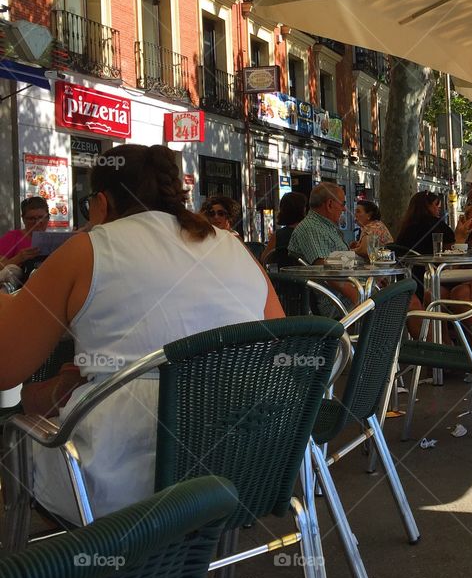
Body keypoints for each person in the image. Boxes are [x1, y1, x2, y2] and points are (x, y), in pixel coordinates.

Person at [0, 144, 283, 523]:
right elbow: (281, 341)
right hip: (243, 469)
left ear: (100, 202)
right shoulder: (234, 247)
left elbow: (6, 367)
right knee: (57, 389)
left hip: (119, 492)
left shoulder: (87, 249)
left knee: (25, 411)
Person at [289, 183, 349, 264]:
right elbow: (322, 265)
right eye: (342, 204)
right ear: (329, 204)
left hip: (348, 275)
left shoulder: (323, 225)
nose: (344, 209)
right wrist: (358, 261)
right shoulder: (311, 227)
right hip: (342, 276)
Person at [395, 190, 455, 255]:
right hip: (429, 263)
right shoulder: (435, 223)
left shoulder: (406, 225)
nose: (439, 209)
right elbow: (452, 242)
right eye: (436, 205)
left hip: (406, 264)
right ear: (427, 205)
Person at [0, 196, 49, 268]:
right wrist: (19, 258)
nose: (37, 222)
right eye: (32, 219)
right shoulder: (13, 236)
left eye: (41, 217)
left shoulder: (54, 239)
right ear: (23, 219)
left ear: (48, 218)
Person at [261, 191, 307, 265]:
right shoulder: (308, 232)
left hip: (281, 275)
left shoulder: (277, 235)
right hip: (304, 274)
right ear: (302, 210)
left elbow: (264, 259)